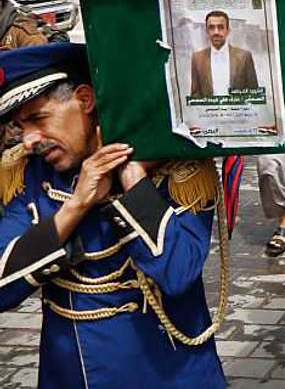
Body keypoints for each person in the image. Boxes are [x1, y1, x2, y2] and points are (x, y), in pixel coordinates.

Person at [0, 43, 225, 387]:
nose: (29, 140)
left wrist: (133, 179)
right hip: (72, 370)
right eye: (19, 126)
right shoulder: (28, 175)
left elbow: (179, 272)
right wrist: (77, 204)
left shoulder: (180, 170)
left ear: (85, 100)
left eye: (38, 119)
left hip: (167, 368)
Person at [189, 10, 259, 98]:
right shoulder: (197, 58)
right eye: (211, 27)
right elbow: (195, 95)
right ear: (206, 31)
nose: (216, 32)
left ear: (228, 30)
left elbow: (254, 93)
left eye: (221, 27)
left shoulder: (245, 56)